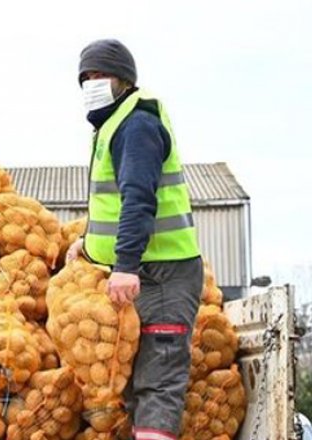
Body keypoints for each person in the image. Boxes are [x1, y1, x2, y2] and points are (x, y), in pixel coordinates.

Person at [68, 39, 204, 440]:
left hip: (164, 273)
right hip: (146, 274)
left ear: (123, 79)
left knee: (158, 383)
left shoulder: (137, 123)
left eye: (100, 75)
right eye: (86, 78)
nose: (92, 84)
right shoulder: (116, 124)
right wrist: (88, 240)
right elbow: (113, 203)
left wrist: (124, 266)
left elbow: (139, 198)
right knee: (135, 384)